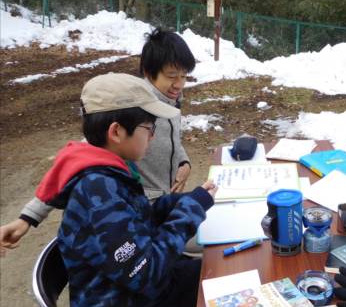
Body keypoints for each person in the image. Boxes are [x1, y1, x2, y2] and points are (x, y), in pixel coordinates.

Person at [44, 73, 215, 307]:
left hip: (137, 301)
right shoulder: (97, 192)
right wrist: (190, 211)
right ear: (116, 131)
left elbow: (138, 221)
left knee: (215, 272)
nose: (152, 137)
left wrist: (177, 203)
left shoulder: (109, 172)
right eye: (149, 129)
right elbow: (146, 272)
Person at [1, 29, 202, 256]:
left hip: (163, 206)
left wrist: (183, 162)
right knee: (215, 243)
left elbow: (173, 138)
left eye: (184, 76)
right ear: (148, 72)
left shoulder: (170, 102)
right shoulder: (132, 109)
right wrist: (28, 217)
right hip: (144, 216)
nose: (179, 84)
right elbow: (74, 162)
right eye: (172, 75)